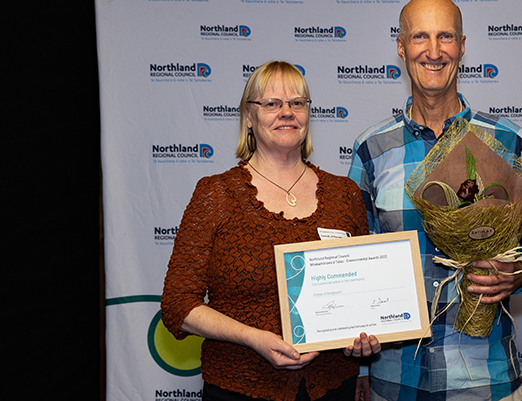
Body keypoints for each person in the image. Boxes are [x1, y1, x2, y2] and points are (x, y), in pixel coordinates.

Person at [347, 0, 522, 401]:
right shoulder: (371, 149)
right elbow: (357, 256)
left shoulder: (508, 141)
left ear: (462, 45)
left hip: (485, 378)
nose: (433, 51)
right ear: (401, 46)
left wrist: (519, 272)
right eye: (419, 37)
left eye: (445, 36)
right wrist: (359, 366)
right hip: (396, 382)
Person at [162, 61, 380, 401]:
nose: (287, 112)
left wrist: (364, 338)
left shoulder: (344, 195)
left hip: (333, 388)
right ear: (249, 116)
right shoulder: (216, 195)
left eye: (297, 103)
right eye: (272, 104)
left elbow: (364, 298)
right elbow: (178, 305)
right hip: (240, 387)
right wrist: (253, 338)